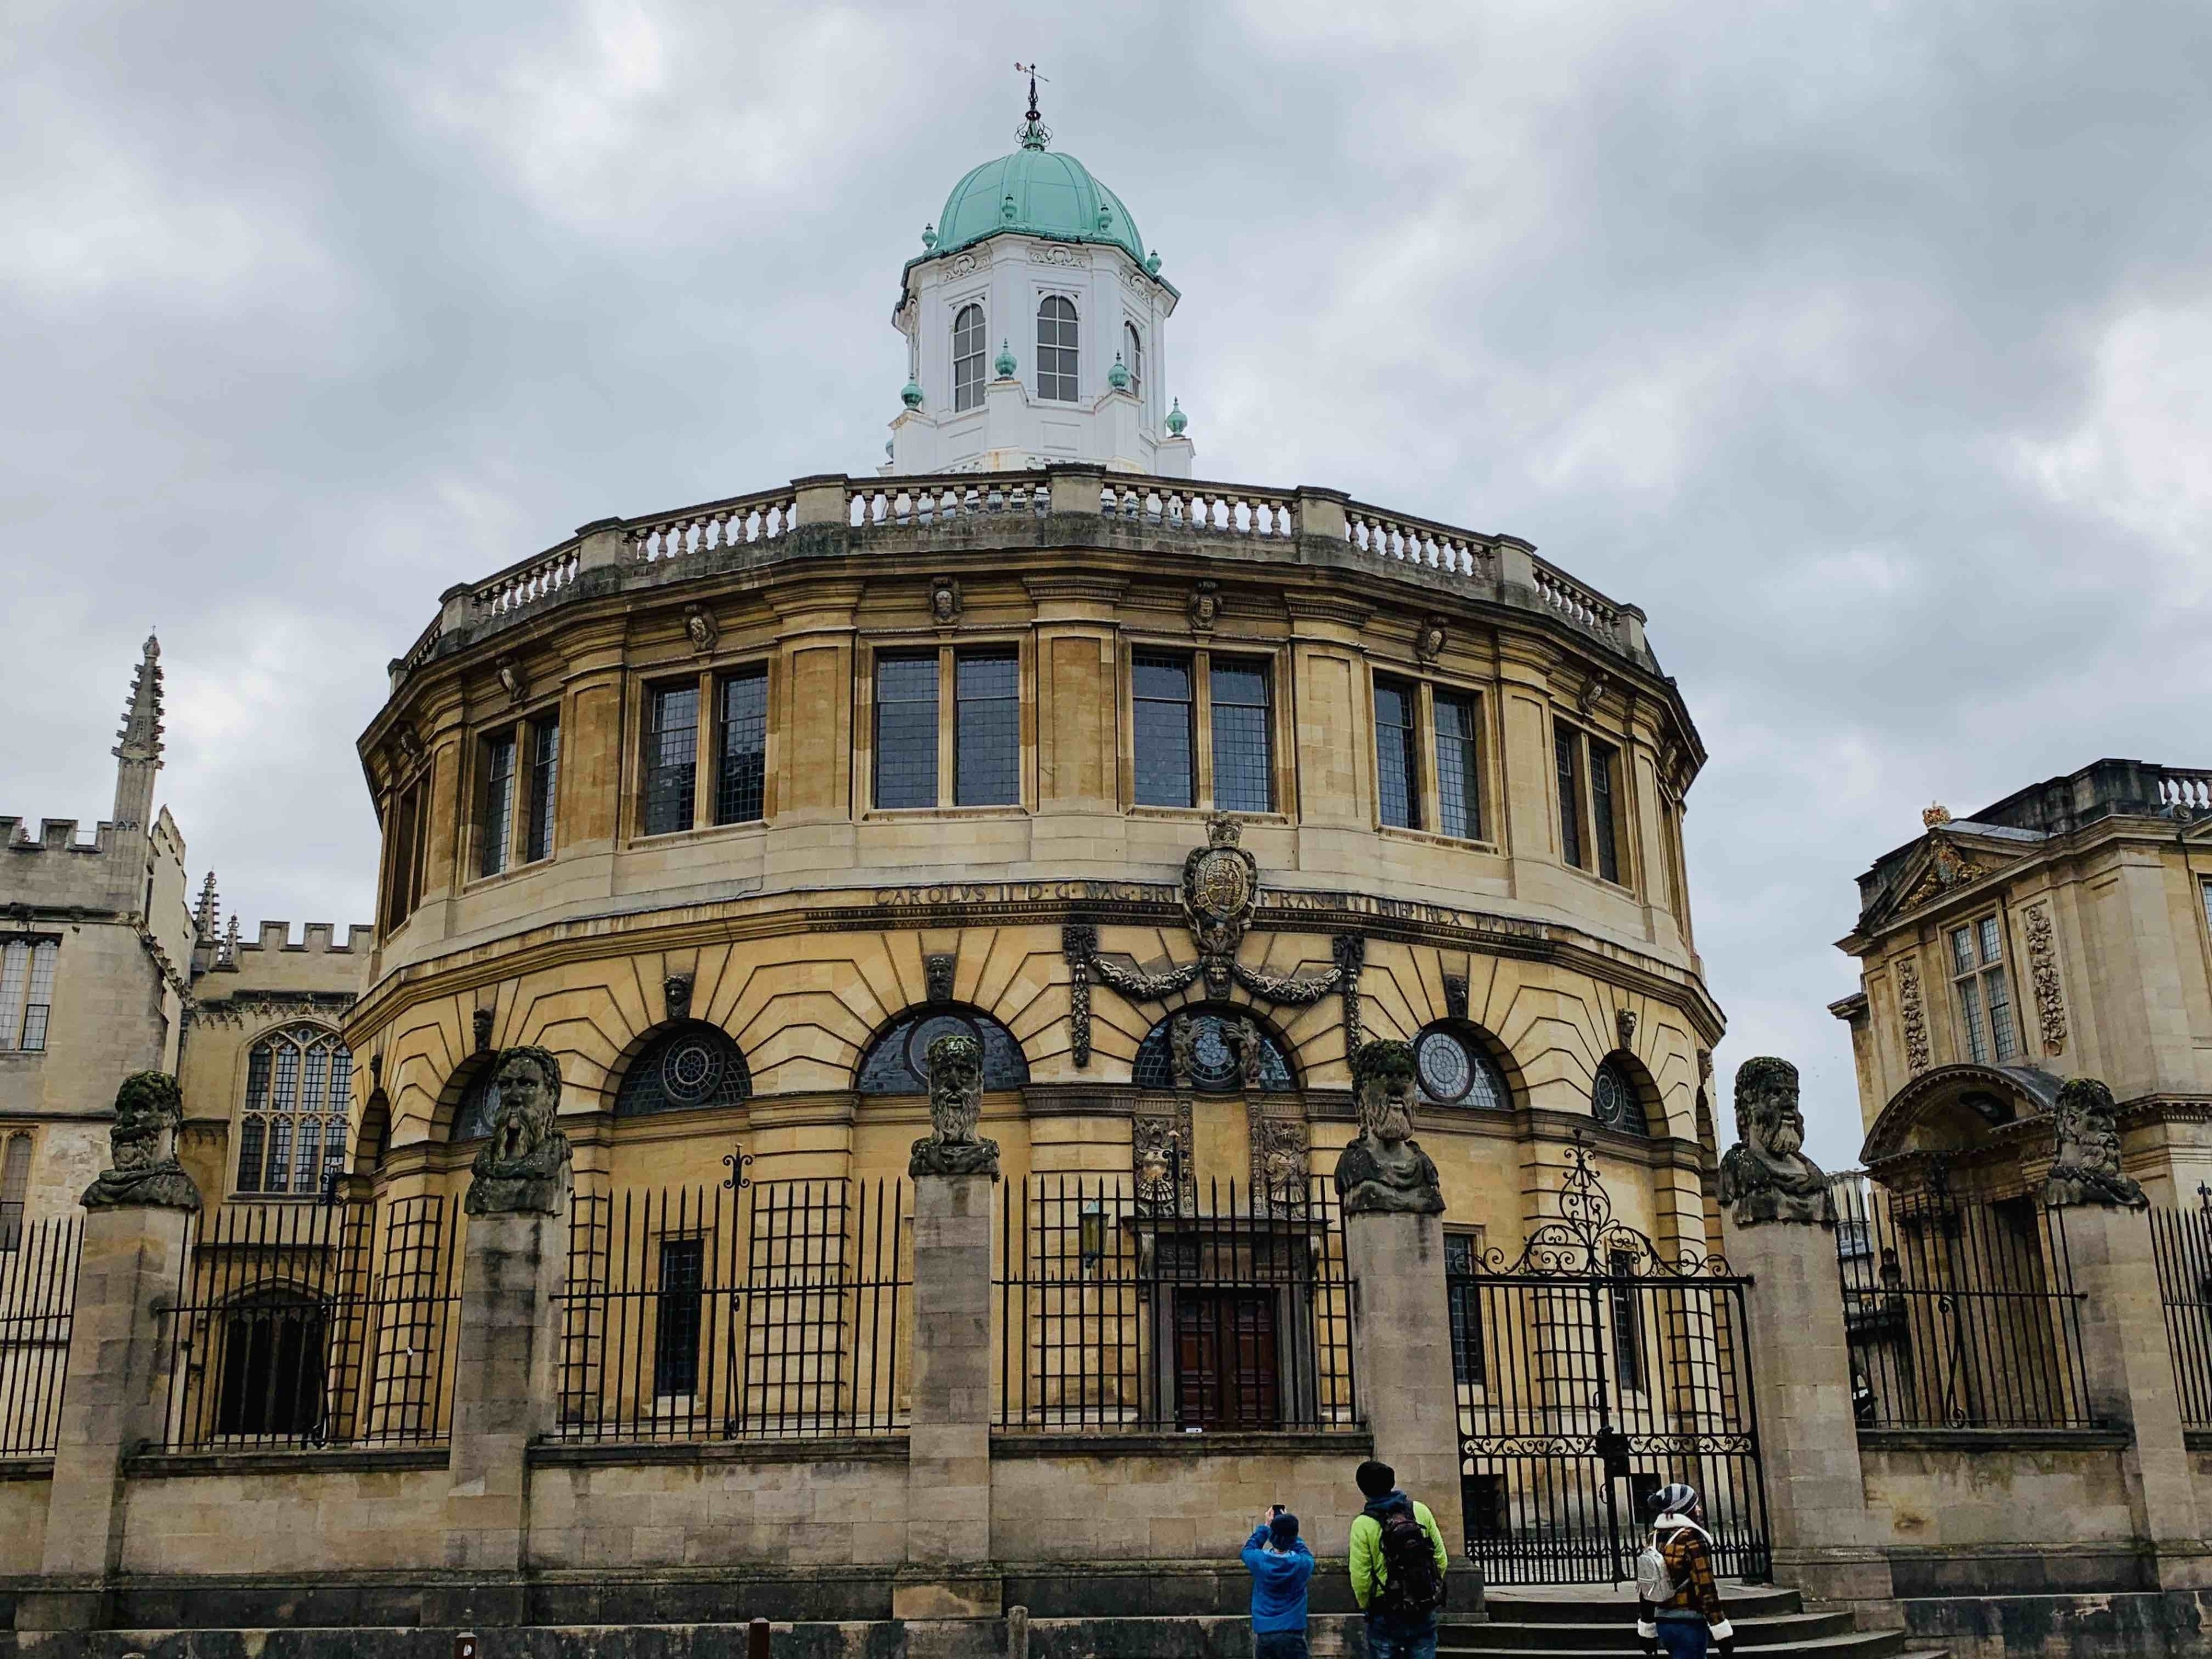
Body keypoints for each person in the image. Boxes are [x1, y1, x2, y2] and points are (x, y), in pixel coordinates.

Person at [1347, 1459, 1449, 1659]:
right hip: (1422, 1604)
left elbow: (1361, 1577)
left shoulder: (1363, 1524)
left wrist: (1366, 1604)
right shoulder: (1420, 1510)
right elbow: (1441, 1559)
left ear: (1363, 1489)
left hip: (1385, 1609)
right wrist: (1424, 1587)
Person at [1636, 1484, 1736, 1658]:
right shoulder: (1692, 1538)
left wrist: (1647, 1627)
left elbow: (1647, 1586)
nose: (1699, 1509)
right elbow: (1706, 1588)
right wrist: (1722, 1633)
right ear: (1685, 1509)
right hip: (1689, 1624)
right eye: (1695, 1505)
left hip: (1663, 1624)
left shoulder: (1654, 1537)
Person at [1240, 1504, 1316, 1659]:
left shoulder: (1259, 1560)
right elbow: (1303, 1550)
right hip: (1293, 1631)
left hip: (1265, 1632)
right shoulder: (1303, 1564)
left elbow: (1247, 1550)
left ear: (1272, 1536)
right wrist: (1289, 1529)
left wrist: (1266, 1527)